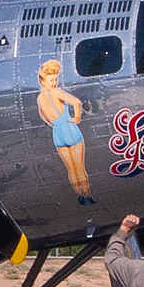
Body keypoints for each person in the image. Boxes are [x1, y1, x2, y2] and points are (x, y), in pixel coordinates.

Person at [35, 60, 93, 204]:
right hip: (70, 130)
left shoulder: (40, 98)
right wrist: (76, 117)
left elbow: (43, 115)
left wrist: (53, 123)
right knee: (80, 167)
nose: (54, 83)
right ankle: (88, 195)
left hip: (58, 133)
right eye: (51, 80)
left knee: (71, 169)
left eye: (55, 80)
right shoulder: (56, 92)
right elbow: (76, 102)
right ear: (43, 81)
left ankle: (79, 196)